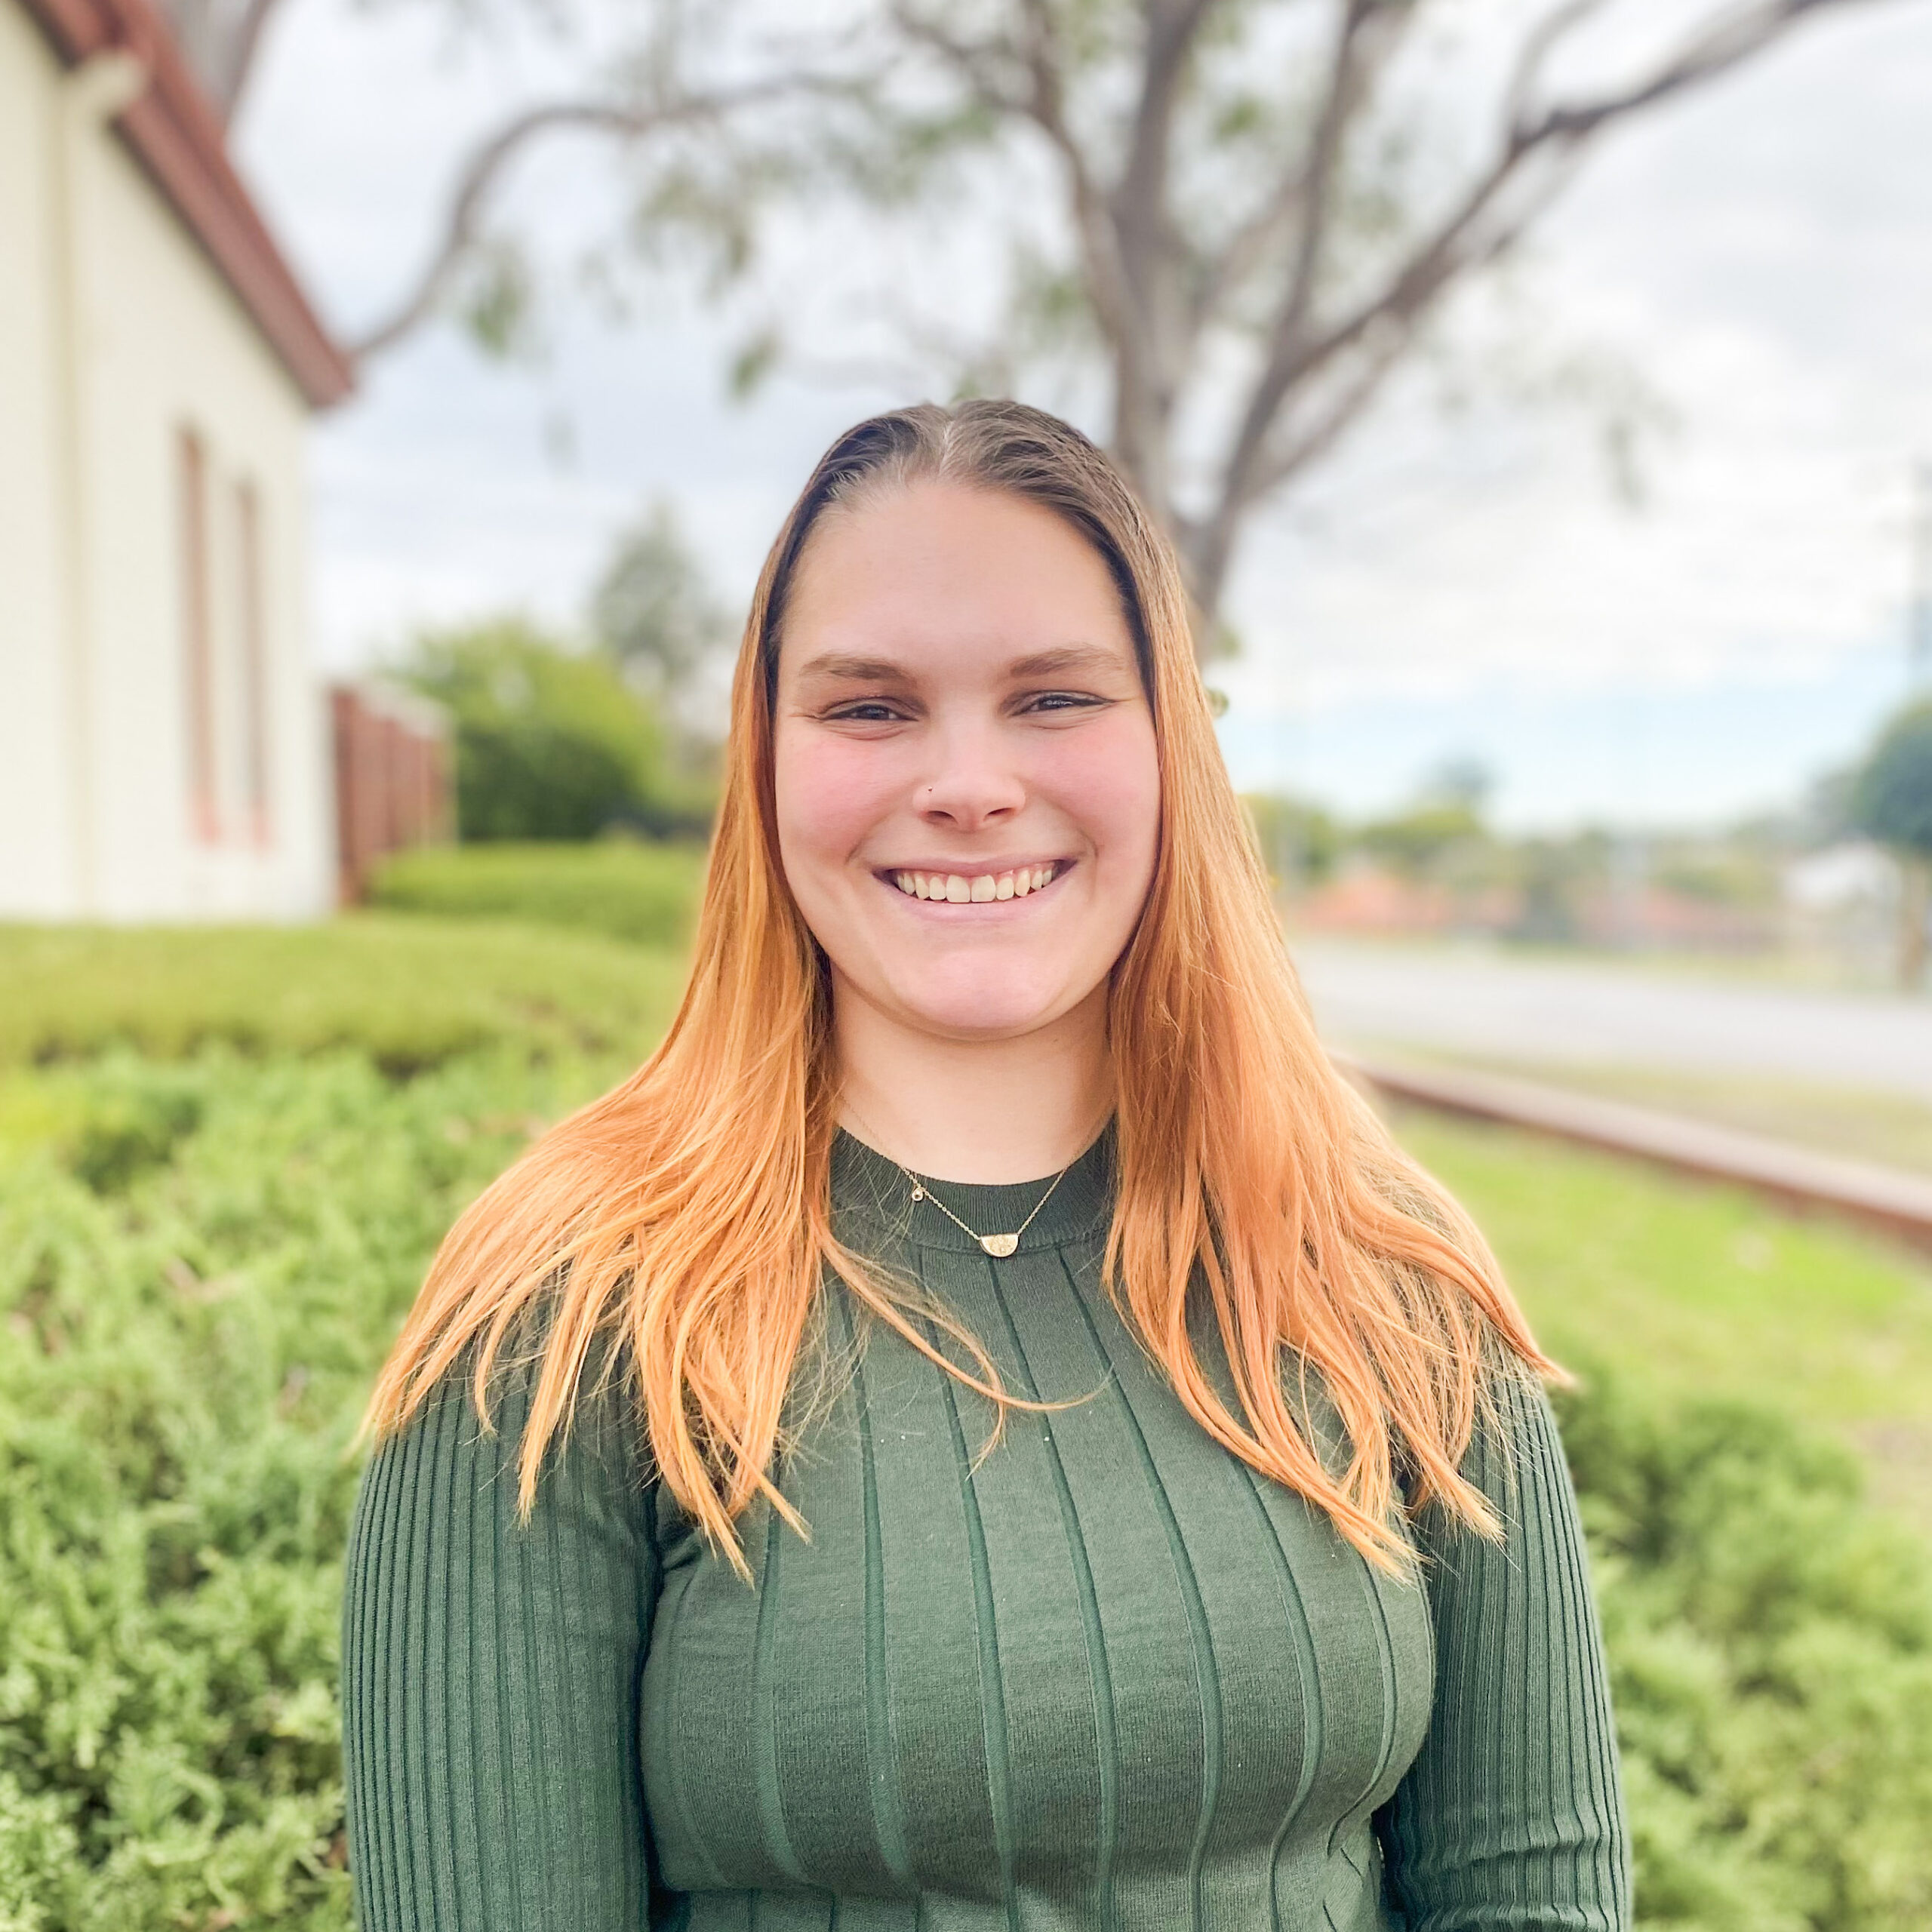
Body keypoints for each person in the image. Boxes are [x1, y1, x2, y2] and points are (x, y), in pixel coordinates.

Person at [343, 401, 1629, 1930]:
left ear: (1172, 746)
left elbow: (1533, 1896)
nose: (968, 782)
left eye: (1054, 697)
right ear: (764, 763)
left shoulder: (1374, 1263)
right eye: (870, 707)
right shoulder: (567, 1311)